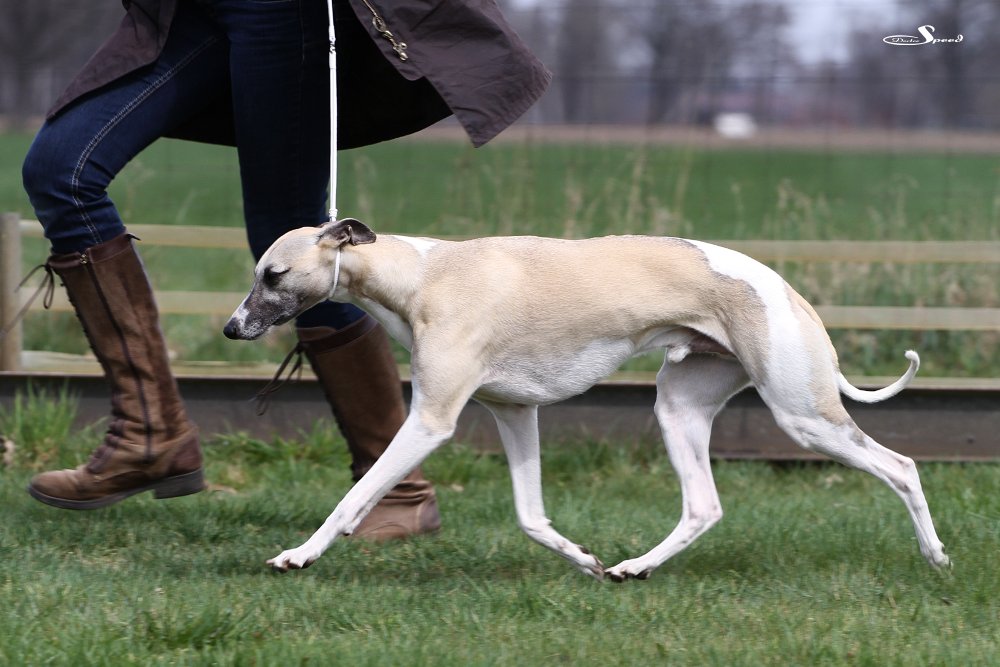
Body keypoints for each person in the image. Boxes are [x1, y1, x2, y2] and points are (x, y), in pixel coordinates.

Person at [20, 0, 550, 540]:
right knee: (61, 169)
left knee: (297, 246)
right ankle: (148, 434)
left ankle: (396, 488)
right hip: (183, 12)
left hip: (282, 14)